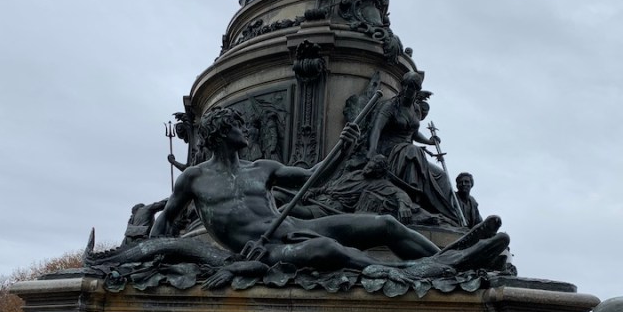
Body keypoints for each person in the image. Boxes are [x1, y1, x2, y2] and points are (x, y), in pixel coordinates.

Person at [149, 105, 461, 271]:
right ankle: (407, 271)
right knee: (329, 250)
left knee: (386, 224)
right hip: (264, 250)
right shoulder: (194, 177)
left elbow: (314, 176)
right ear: (220, 132)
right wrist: (152, 252)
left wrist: (343, 149)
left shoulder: (262, 168)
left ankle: (450, 260)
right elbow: (167, 219)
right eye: (237, 126)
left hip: (293, 227)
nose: (245, 130)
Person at [366, 72, 463, 225]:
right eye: (408, 86)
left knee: (441, 176)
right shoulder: (390, 106)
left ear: (418, 90)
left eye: (414, 88)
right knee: (413, 151)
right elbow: (376, 129)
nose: (410, 90)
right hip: (391, 152)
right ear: (402, 87)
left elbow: (414, 133)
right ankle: (412, 200)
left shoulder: (416, 109)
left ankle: (451, 217)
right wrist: (371, 151)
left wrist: (429, 142)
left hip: (409, 152)